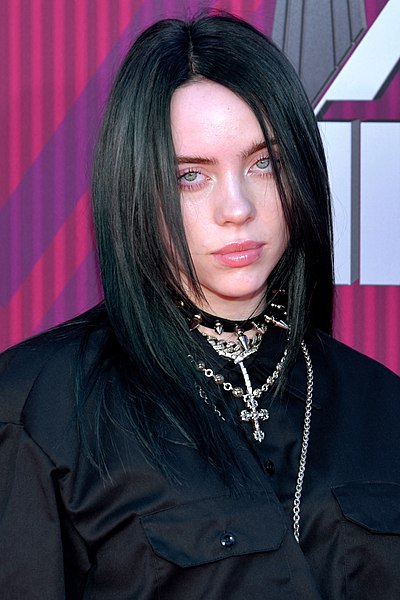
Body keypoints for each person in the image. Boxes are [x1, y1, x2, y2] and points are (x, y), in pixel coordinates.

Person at [0, 13, 399, 600]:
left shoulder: (381, 403)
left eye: (265, 163)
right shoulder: (37, 406)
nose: (237, 208)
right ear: (136, 187)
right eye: (191, 176)